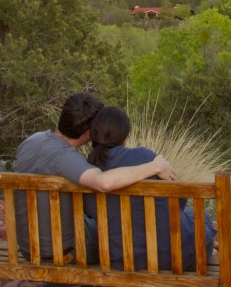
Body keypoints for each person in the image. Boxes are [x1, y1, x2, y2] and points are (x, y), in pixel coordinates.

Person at [12, 93, 176, 264]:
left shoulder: (32, 141)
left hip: (27, 247)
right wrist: (155, 166)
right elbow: (104, 182)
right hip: (61, 251)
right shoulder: (65, 157)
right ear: (89, 132)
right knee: (115, 237)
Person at [83, 105, 216, 271]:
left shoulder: (86, 173)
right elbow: (179, 201)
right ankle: (217, 249)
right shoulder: (145, 158)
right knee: (201, 216)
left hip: (121, 261)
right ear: (124, 137)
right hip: (176, 258)